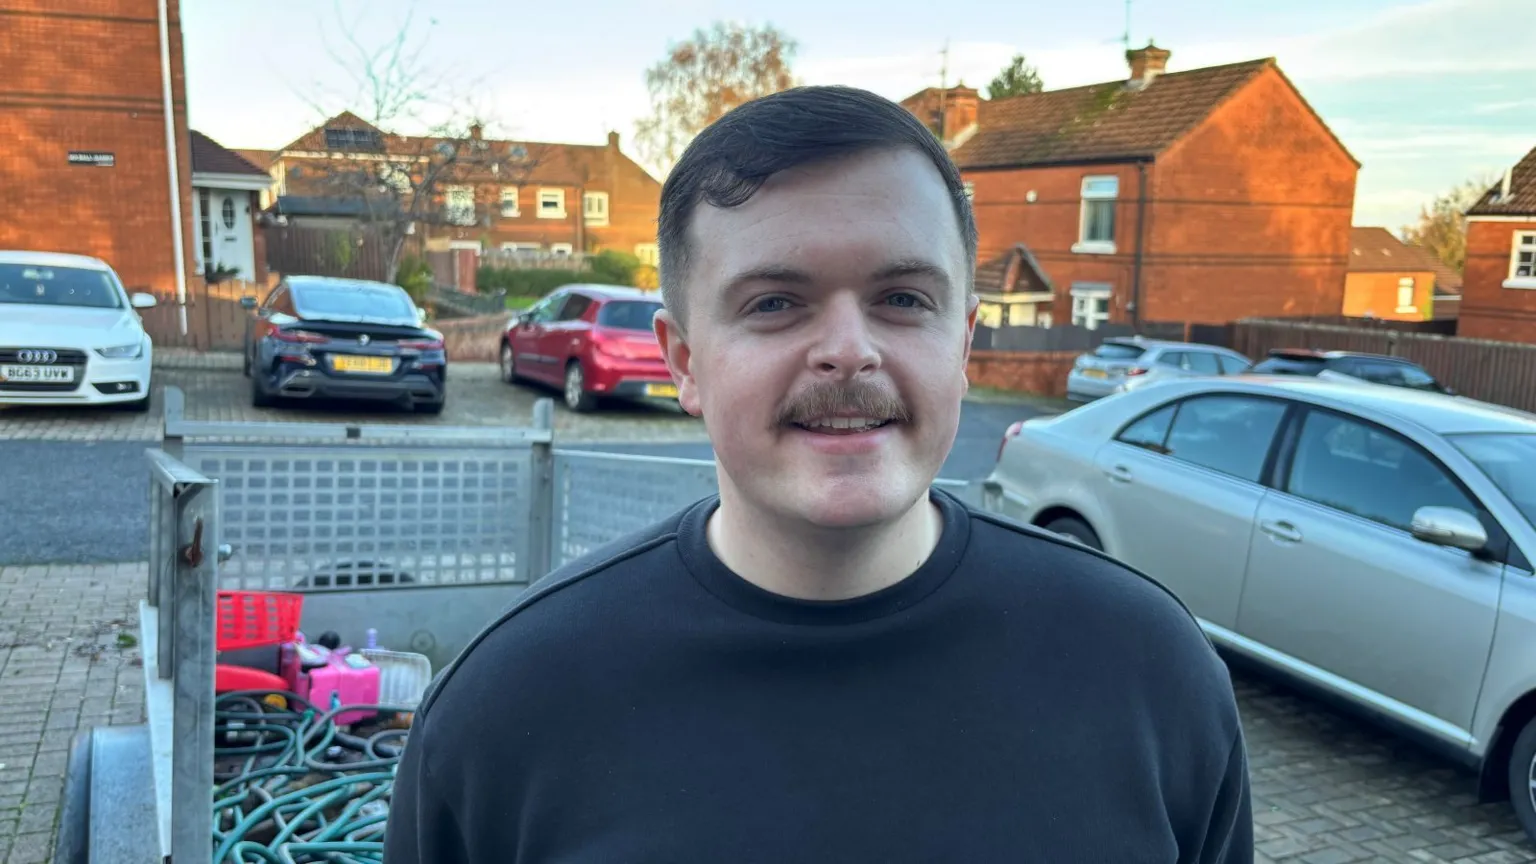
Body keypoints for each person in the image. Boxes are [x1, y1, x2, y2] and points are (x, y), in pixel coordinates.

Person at [384, 85, 1252, 863]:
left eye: (903, 299)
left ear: (964, 343)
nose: (847, 351)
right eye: (774, 304)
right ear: (684, 361)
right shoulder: (508, 709)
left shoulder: (1150, 673)